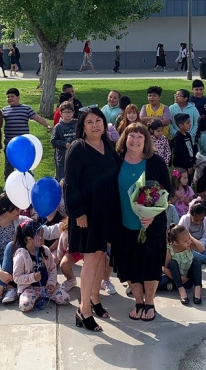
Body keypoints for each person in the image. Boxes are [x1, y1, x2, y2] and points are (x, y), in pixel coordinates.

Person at [63, 107, 119, 331]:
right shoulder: (78, 148)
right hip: (86, 214)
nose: (95, 125)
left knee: (101, 257)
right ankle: (83, 309)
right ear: (82, 127)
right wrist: (78, 212)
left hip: (107, 212)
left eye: (99, 120)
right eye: (89, 122)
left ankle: (95, 298)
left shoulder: (108, 146)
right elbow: (71, 183)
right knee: (91, 260)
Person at [114, 122, 171, 323]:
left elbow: (167, 190)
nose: (135, 140)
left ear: (146, 140)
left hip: (151, 224)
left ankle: (150, 302)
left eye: (140, 136)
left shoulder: (156, 162)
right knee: (130, 264)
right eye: (132, 136)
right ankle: (138, 301)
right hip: (124, 223)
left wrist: (153, 214)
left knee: (150, 263)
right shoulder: (116, 160)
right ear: (125, 139)